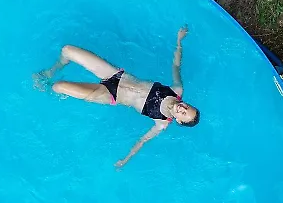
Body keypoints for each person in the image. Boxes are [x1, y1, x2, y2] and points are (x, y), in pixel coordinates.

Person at [35, 25, 200, 167]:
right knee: (67, 50)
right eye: (187, 106)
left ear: (178, 120)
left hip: (110, 95)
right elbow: (176, 66)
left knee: (59, 87)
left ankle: (46, 87)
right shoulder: (177, 91)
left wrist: (125, 160)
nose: (182, 108)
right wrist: (179, 41)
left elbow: (142, 141)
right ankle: (51, 71)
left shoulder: (161, 123)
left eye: (183, 114)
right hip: (116, 75)